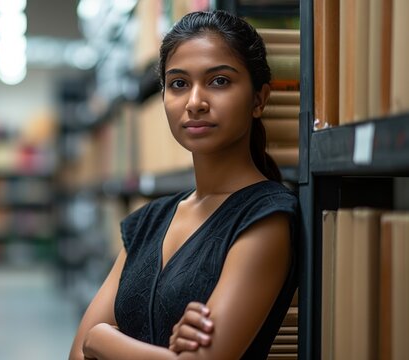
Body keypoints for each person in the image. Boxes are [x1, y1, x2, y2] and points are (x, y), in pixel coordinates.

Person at [69, 10, 299, 360]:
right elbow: (75, 354)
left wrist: (101, 339)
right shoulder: (148, 220)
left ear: (258, 99)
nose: (195, 103)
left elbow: (89, 344)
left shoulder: (266, 217)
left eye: (219, 81)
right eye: (179, 84)